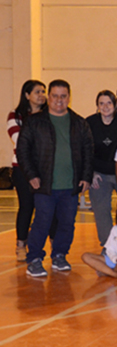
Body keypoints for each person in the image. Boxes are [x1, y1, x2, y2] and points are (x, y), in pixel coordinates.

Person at [19, 80, 94, 278]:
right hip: (44, 185)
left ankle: (60, 255)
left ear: (69, 97)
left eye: (63, 96)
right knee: (42, 221)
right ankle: (34, 259)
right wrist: (31, 175)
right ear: (48, 97)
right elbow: (23, 150)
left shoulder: (79, 123)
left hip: (70, 185)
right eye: (55, 96)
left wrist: (86, 177)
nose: (59, 100)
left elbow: (88, 151)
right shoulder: (34, 122)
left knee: (67, 223)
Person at [9, 79, 47, 261]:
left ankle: (50, 246)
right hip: (22, 168)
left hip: (45, 168)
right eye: (38, 91)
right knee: (26, 206)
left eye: (43, 91)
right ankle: (20, 245)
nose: (42, 95)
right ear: (27, 95)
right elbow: (20, 141)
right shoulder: (14, 116)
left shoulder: (49, 115)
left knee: (47, 207)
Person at [86, 90, 117, 246]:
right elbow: (84, 149)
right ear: (97, 106)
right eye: (101, 103)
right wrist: (90, 172)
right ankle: (108, 245)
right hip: (99, 174)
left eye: (109, 103)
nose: (105, 106)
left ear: (115, 105)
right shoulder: (89, 122)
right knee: (101, 210)